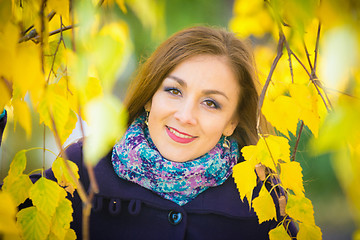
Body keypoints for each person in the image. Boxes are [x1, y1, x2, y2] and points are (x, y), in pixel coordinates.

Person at [0, 26, 297, 239]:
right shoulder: (81, 169)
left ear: (231, 122)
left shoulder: (262, 199)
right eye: (173, 91)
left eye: (211, 103)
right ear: (149, 97)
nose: (185, 116)